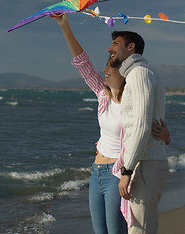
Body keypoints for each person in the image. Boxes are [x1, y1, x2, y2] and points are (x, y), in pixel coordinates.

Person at [55, 14, 170, 234]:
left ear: (123, 72)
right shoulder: (102, 95)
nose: (105, 71)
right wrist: (64, 26)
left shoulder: (134, 92)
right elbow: (82, 63)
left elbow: (147, 124)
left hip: (119, 173)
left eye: (110, 68)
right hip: (97, 171)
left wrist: (165, 135)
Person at [109, 31, 170, 234]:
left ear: (131, 47)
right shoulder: (140, 73)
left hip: (145, 163)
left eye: (116, 44)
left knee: (140, 230)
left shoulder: (140, 73)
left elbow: (142, 126)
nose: (110, 48)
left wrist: (127, 171)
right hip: (146, 162)